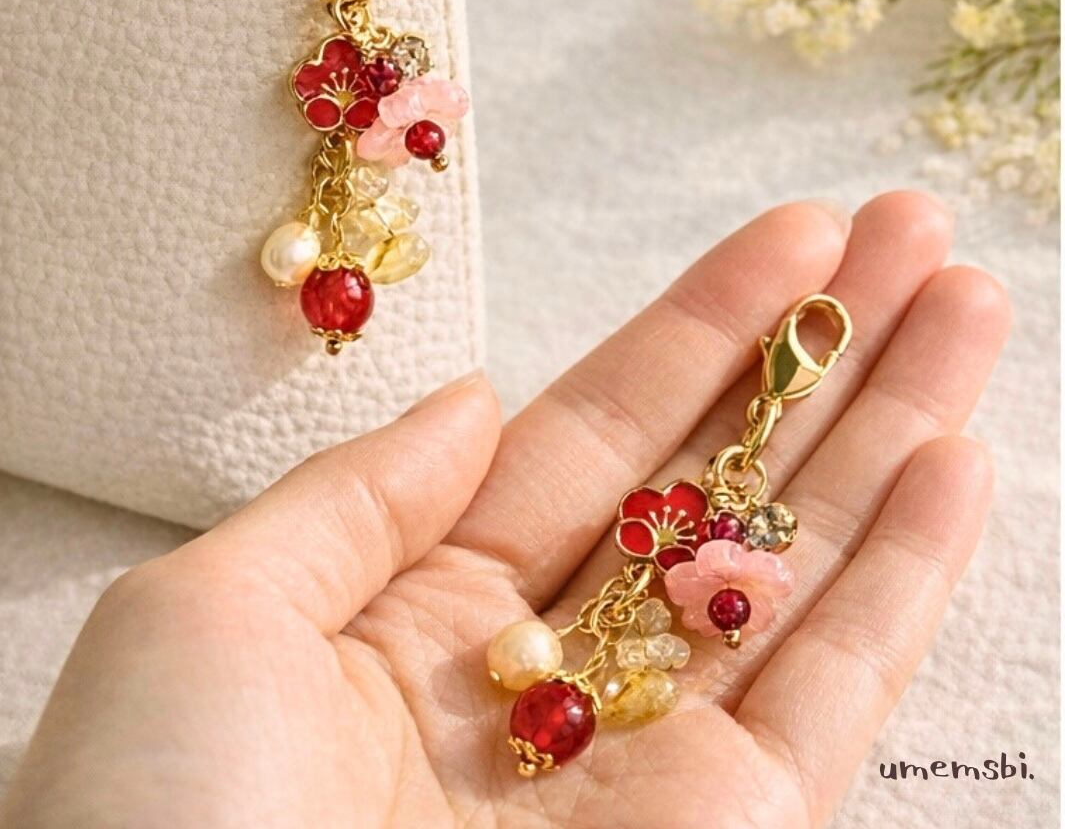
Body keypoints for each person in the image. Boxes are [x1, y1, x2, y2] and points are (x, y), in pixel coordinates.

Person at [0, 193, 1010, 828]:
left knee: (629, 628)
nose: (534, 740)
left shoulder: (681, 548)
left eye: (539, 735)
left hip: (692, 548)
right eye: (540, 733)